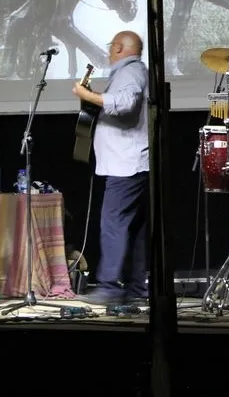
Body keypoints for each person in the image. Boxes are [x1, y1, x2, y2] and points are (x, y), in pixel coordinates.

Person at [73, 31, 149, 306]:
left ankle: (110, 287)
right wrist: (92, 98)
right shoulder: (132, 72)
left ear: (118, 48)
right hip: (129, 163)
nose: (108, 52)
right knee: (135, 229)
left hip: (125, 165)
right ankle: (137, 289)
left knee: (113, 225)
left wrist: (87, 95)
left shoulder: (130, 72)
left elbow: (126, 103)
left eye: (110, 47)